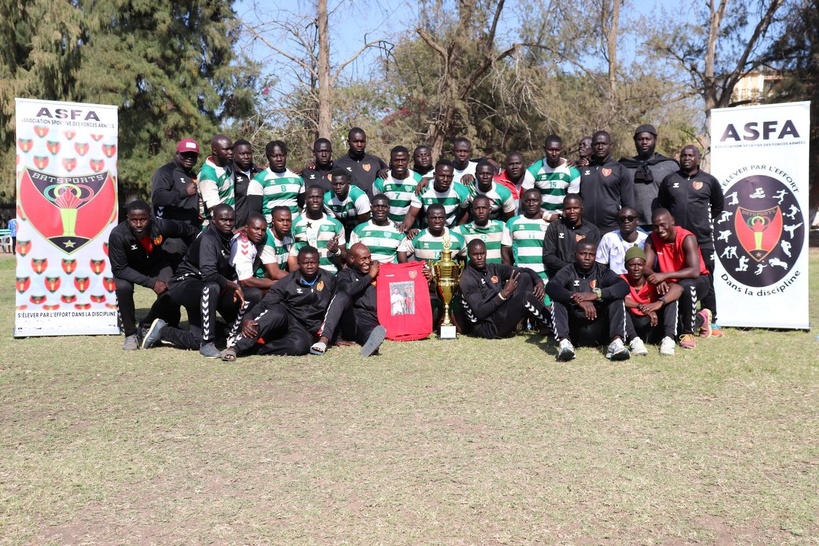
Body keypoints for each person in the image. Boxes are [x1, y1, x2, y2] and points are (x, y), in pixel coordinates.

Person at [142, 204, 246, 358]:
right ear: (213, 220)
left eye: (231, 220)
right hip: (185, 285)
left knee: (196, 340)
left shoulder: (227, 237)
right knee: (213, 287)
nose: (228, 223)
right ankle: (208, 343)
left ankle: (162, 331)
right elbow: (210, 274)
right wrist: (233, 285)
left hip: (201, 290)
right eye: (224, 220)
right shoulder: (209, 238)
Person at [109, 200, 198, 350]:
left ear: (150, 217)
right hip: (128, 268)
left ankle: (153, 324)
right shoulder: (117, 235)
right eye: (134, 220)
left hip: (155, 263)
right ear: (127, 218)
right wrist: (151, 283)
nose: (138, 224)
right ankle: (131, 334)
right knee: (123, 288)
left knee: (172, 288)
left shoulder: (161, 225)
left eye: (143, 219)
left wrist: (199, 247)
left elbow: (188, 230)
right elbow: (119, 269)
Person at [221, 245, 336, 359]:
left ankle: (256, 349)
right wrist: (247, 318)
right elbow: (264, 304)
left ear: (318, 263)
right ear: (299, 264)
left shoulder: (328, 279)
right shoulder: (287, 282)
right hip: (285, 318)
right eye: (306, 263)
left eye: (313, 262)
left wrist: (338, 337)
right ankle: (235, 347)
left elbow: (336, 304)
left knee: (300, 346)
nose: (310, 266)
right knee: (275, 313)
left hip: (304, 328)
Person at [658, 144, 725, 336]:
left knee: (707, 279)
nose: (686, 158)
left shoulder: (709, 181)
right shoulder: (670, 180)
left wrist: (703, 224)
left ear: (697, 158)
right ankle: (684, 317)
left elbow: (718, 207)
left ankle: (713, 320)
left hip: (702, 240)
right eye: (683, 155)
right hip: (676, 242)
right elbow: (663, 206)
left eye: (691, 155)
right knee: (679, 280)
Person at [546, 240, 631, 361]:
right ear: (575, 254)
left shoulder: (602, 271)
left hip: (599, 328)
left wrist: (596, 294)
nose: (587, 258)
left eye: (591, 254)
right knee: (557, 300)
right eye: (583, 253)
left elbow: (624, 287)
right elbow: (551, 287)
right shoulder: (568, 271)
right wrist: (577, 298)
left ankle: (616, 343)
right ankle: (564, 344)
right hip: (575, 330)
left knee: (617, 299)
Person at [643, 208, 712, 350]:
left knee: (686, 286)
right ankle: (702, 318)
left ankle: (688, 333)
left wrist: (664, 275)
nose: (660, 229)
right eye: (655, 226)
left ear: (672, 221)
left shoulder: (687, 237)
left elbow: (694, 271)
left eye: (663, 225)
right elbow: (645, 266)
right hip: (671, 283)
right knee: (674, 328)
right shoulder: (652, 238)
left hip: (697, 281)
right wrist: (660, 279)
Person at [456, 239, 550, 339]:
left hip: (500, 313)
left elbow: (524, 270)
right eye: (475, 254)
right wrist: (504, 294)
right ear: (469, 255)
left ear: (486, 253)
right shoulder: (468, 278)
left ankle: (524, 322)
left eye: (482, 253)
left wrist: (539, 282)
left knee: (525, 277)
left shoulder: (493, 268)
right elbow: (480, 313)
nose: (479, 257)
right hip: (488, 327)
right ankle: (552, 325)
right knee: (525, 297)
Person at [309, 243, 387, 356]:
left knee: (371, 330)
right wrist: (369, 276)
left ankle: (373, 344)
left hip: (374, 317)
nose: (368, 262)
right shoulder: (345, 275)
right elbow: (347, 290)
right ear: (352, 259)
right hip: (353, 318)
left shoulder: (379, 271)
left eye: (369, 257)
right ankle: (324, 340)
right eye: (363, 259)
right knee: (347, 302)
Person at [397, 204, 466, 326]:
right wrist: (410, 273)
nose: (437, 220)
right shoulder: (417, 236)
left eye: (440, 217)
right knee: (427, 324)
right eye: (433, 217)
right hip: (425, 292)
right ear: (427, 219)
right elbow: (401, 251)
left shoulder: (457, 239)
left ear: (445, 219)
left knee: (461, 327)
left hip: (448, 292)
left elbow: (464, 260)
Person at [621, 245, 681, 356]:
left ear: (645, 266)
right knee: (618, 302)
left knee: (671, 299)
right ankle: (634, 341)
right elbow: (613, 296)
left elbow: (678, 288)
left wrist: (658, 303)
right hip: (632, 326)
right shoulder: (620, 280)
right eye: (632, 265)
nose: (636, 268)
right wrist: (641, 306)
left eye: (639, 265)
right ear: (625, 266)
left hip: (653, 326)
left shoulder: (653, 282)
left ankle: (668, 339)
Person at [150, 137, 202, 267]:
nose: (189, 158)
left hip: (190, 234)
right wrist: (183, 192)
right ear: (177, 154)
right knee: (172, 278)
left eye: (193, 155)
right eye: (186, 154)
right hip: (173, 238)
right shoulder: (166, 172)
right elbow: (157, 197)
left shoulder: (192, 175)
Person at [619, 124, 679, 231]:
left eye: (648, 139)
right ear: (635, 141)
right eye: (640, 139)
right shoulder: (624, 166)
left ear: (655, 140)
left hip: (661, 225)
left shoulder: (669, 165)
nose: (644, 142)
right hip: (633, 225)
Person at [579, 130, 634, 234]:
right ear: (592, 145)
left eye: (603, 144)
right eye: (597, 144)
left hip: (612, 229)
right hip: (586, 229)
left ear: (610, 145)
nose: (600, 147)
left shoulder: (620, 169)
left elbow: (628, 203)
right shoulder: (582, 170)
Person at [521, 135, 581, 221]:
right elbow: (526, 201)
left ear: (561, 149)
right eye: (550, 150)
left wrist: (560, 217)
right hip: (538, 216)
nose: (553, 154)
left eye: (557, 150)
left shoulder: (572, 172)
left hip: (563, 218)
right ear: (544, 149)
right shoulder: (533, 170)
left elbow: (572, 204)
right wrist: (547, 216)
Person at [289, 186, 346, 274]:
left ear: (323, 200)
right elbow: (291, 254)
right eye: (311, 197)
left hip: (331, 275)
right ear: (305, 200)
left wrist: (336, 251)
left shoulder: (336, 224)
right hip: (304, 276)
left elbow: (344, 256)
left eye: (318, 197)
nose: (315, 200)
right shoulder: (295, 224)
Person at [229, 213, 283, 305]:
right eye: (256, 229)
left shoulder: (246, 235)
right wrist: (276, 283)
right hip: (231, 288)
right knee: (271, 290)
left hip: (237, 283)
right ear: (246, 228)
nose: (260, 233)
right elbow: (246, 281)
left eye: (263, 230)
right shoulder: (244, 247)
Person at [542, 194, 601, 277]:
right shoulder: (555, 227)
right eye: (568, 208)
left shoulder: (592, 230)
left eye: (575, 208)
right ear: (563, 210)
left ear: (582, 208)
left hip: (584, 278)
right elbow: (548, 256)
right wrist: (569, 268)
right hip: (559, 276)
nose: (572, 211)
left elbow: (596, 257)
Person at [507, 189, 551, 301]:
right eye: (528, 201)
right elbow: (505, 250)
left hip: (544, 276)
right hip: (520, 275)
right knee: (520, 311)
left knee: (545, 311)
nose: (531, 204)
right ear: (522, 202)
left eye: (535, 200)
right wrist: (510, 273)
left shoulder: (549, 224)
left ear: (541, 201)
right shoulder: (512, 222)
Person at [403, 159, 470, 230]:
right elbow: (411, 215)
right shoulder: (423, 189)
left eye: (449, 176)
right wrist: (403, 229)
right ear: (434, 175)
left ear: (452, 177)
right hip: (427, 231)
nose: (445, 179)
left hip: (451, 231)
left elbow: (465, 212)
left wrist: (458, 230)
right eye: (442, 176)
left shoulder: (461, 191)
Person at [248, 140, 305, 223]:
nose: (279, 159)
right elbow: (254, 212)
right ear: (268, 157)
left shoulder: (297, 178)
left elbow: (305, 205)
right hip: (270, 230)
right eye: (275, 156)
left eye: (282, 155)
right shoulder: (258, 180)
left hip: (294, 230)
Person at [373, 146, 424, 226]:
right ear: (391, 161)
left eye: (403, 160)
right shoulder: (380, 181)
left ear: (408, 160)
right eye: (396, 160)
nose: (400, 164)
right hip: (387, 227)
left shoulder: (418, 180)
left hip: (411, 229)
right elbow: (375, 207)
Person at [349, 194, 407, 263]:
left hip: (389, 272)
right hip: (365, 271)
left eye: (384, 206)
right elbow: (351, 256)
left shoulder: (398, 231)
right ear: (371, 208)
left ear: (389, 208)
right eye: (376, 206)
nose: (380, 209)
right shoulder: (358, 230)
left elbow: (402, 262)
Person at [454, 196, 512, 264]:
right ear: (472, 211)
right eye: (477, 208)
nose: (481, 211)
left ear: (490, 210)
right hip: (474, 273)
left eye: (484, 208)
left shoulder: (502, 226)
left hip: (496, 271)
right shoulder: (462, 230)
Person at [334, 127, 387, 197]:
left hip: (373, 206)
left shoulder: (376, 161)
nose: (359, 144)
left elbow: (392, 175)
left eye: (362, 141)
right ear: (348, 142)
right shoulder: (339, 164)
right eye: (355, 142)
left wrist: (384, 171)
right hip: (351, 206)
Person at [595, 206, 648, 274]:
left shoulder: (646, 239)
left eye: (630, 218)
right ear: (618, 221)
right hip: (615, 281)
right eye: (622, 219)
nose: (626, 221)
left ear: (637, 221)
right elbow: (600, 266)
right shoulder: (608, 238)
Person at [324, 169, 371, 239]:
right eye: (335, 184)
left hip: (362, 228)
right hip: (344, 229)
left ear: (348, 183)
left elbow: (364, 224)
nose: (338, 187)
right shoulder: (327, 199)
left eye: (341, 184)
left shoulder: (359, 196)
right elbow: (336, 224)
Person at [198, 134, 235, 223]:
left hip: (228, 222)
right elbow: (215, 210)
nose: (231, 152)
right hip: (216, 226)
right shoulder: (208, 175)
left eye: (231, 148)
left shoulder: (228, 164)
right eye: (226, 149)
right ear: (215, 151)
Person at [232, 139, 261, 228]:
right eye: (242, 154)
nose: (246, 156)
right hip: (237, 228)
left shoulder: (260, 173)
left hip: (258, 227)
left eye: (249, 153)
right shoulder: (229, 173)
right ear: (234, 154)